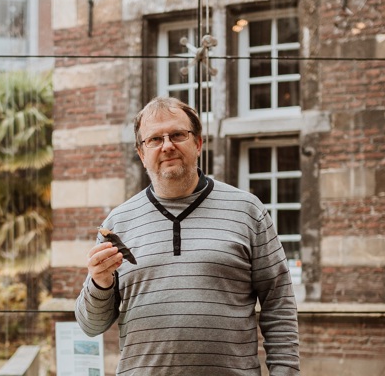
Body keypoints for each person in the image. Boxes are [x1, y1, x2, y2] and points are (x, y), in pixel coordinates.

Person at [75, 96, 300, 375]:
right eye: (154, 139)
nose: (167, 146)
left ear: (198, 143)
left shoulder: (247, 210)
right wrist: (100, 282)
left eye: (178, 135)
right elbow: (90, 325)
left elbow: (278, 303)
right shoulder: (118, 222)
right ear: (142, 153)